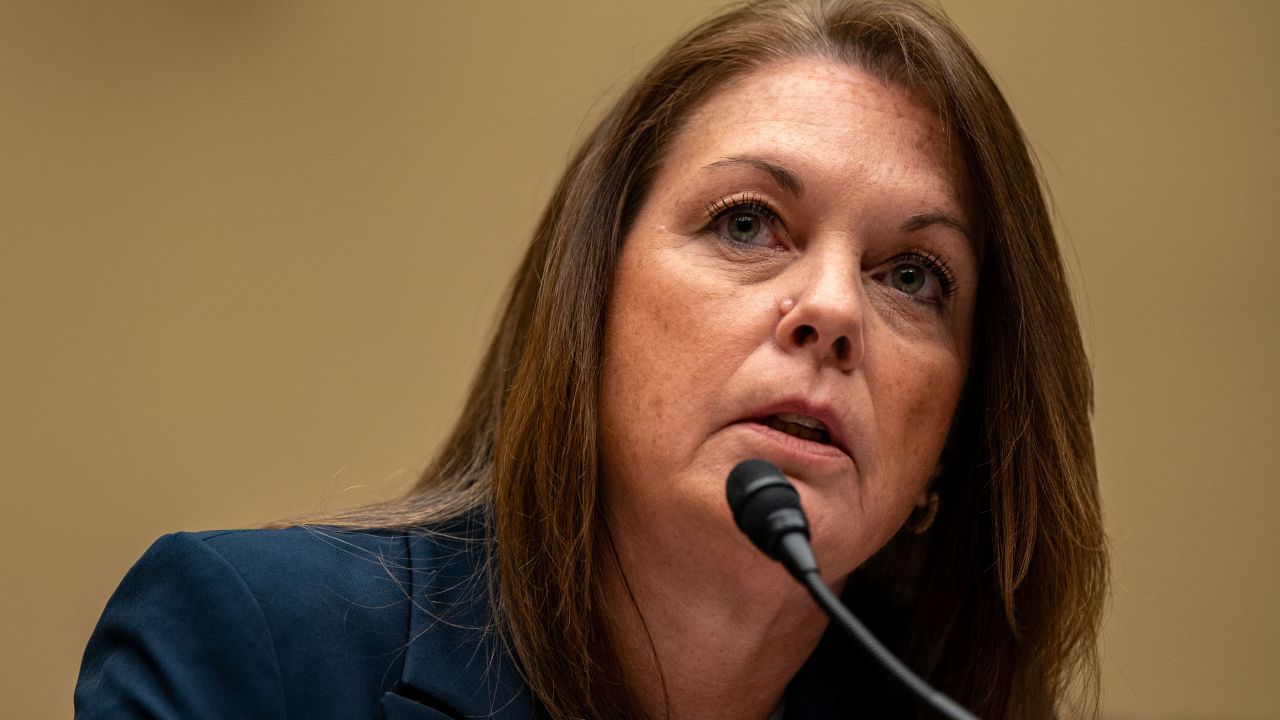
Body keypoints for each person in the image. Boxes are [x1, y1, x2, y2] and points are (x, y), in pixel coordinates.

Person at [75, 0, 1107, 718]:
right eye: (747, 224)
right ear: (591, 307)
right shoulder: (256, 649)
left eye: (913, 276)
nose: (831, 308)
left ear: (955, 441)